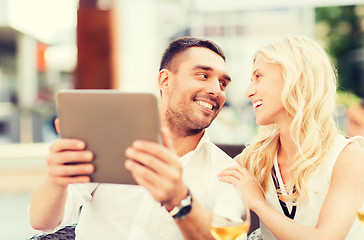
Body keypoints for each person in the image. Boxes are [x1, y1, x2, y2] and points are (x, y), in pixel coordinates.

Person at [28, 37, 243, 239]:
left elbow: (227, 235)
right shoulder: (110, 144)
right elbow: (42, 222)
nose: (216, 90)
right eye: (203, 75)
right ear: (165, 80)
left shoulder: (227, 172)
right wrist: (56, 180)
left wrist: (180, 199)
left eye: (223, 83)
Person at [218, 36, 364, 240]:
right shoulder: (254, 159)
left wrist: (257, 203)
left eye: (258, 77)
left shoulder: (348, 158)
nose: (248, 92)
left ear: (295, 77)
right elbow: (214, 210)